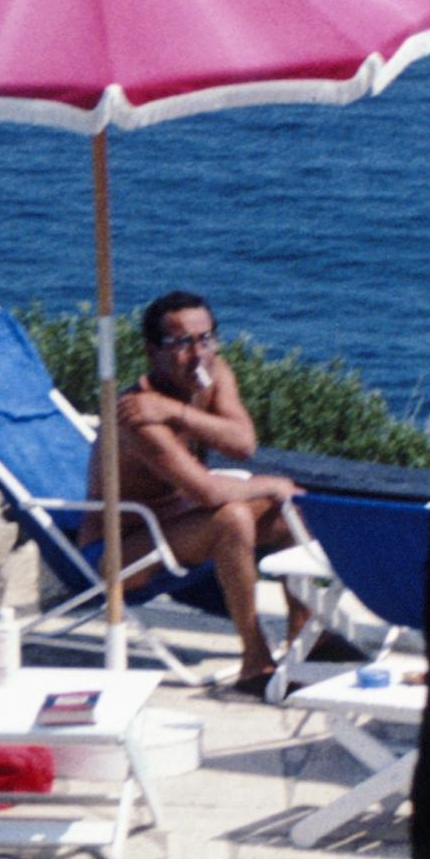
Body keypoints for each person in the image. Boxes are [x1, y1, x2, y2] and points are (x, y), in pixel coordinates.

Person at [114, 290, 308, 698]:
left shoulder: (214, 375)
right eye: (182, 343)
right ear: (152, 351)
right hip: (121, 551)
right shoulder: (137, 415)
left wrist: (180, 412)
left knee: (294, 508)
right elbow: (205, 491)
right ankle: (255, 659)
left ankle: (307, 640)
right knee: (234, 516)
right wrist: (270, 483)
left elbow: (243, 443)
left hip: (181, 525)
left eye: (206, 338)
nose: (198, 353)